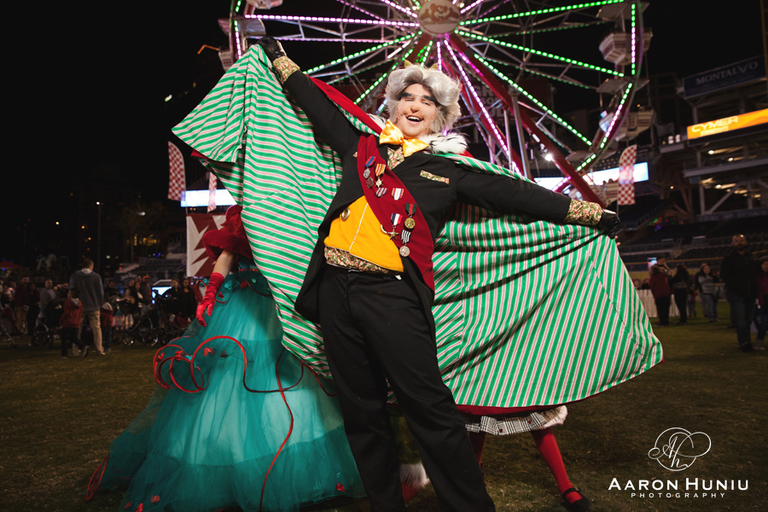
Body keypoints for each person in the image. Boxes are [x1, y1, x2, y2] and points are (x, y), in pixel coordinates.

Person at [173, 41, 661, 512]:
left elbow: (522, 197)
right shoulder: (359, 145)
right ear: (392, 103)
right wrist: (281, 62)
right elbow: (315, 106)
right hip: (334, 293)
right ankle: (385, 506)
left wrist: (589, 214)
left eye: (426, 101)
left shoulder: (450, 172)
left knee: (429, 408)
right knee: (362, 415)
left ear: (440, 116)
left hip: (392, 297)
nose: (414, 105)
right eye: (406, 96)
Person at [87, 205, 364, 511]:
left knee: (288, 377)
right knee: (233, 377)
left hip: (282, 304)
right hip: (245, 306)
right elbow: (228, 253)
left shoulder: (295, 205)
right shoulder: (244, 213)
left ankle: (299, 474)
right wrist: (212, 290)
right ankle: (234, 470)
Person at [720, 235, 758, 352]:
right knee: (740, 318)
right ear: (732, 244)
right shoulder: (729, 258)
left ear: (746, 242)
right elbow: (724, 275)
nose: (739, 243)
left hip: (750, 292)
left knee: (748, 318)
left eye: (741, 240)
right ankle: (744, 342)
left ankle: (746, 341)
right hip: (735, 293)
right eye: (736, 241)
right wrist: (735, 287)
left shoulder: (751, 257)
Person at [69, 258, 106, 355]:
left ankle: (75, 350)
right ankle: (99, 349)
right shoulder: (96, 277)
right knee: (97, 329)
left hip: (79, 307)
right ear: (91, 266)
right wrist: (98, 304)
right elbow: (100, 293)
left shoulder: (75, 276)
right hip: (94, 306)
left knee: (77, 329)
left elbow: (71, 291)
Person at [60, 287, 88, 359]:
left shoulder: (68, 303)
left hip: (68, 323)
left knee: (64, 338)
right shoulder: (80, 303)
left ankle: (64, 354)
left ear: (72, 295)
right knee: (73, 337)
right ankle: (82, 346)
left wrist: (61, 320)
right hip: (76, 323)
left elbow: (66, 313)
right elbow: (81, 311)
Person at [755, 257, 768, 351]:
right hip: (763, 300)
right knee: (764, 323)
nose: (766, 266)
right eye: (764, 264)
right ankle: (759, 343)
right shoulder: (758, 276)